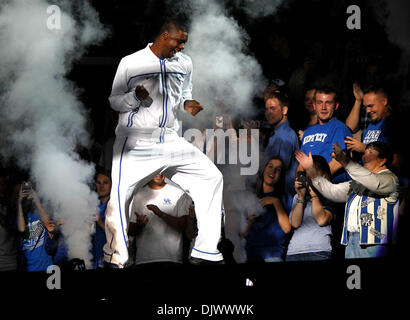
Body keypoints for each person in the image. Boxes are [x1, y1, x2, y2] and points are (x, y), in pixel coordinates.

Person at [104, 20, 224, 267]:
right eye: (178, 41)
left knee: (211, 177)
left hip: (170, 138)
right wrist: (134, 97)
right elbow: (114, 101)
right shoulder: (131, 62)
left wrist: (188, 105)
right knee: (119, 197)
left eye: (184, 43)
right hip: (137, 140)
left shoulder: (185, 63)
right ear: (164, 35)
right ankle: (115, 256)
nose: (181, 47)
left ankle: (206, 251)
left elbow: (184, 96)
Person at [295, 141, 399, 259]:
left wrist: (343, 160)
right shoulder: (358, 182)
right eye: (364, 152)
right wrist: (311, 171)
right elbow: (332, 191)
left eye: (370, 152)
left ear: (383, 160)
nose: (364, 156)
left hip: (376, 243)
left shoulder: (390, 179)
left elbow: (374, 182)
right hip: (351, 242)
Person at [127, 174, 194, 266]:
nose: (159, 173)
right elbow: (130, 230)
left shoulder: (179, 193)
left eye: (161, 170)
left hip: (172, 259)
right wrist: (140, 225)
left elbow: (183, 225)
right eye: (156, 170)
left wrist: (161, 214)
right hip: (143, 259)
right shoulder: (137, 195)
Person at [344, 85, 404, 174]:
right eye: (366, 107)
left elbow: (398, 163)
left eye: (371, 106)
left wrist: (364, 149)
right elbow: (349, 127)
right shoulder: (372, 125)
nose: (367, 111)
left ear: (384, 101)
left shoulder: (395, 124)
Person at [241, 157, 291, 263]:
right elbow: (243, 233)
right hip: (251, 255)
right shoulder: (250, 197)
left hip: (273, 255)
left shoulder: (285, 198)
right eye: (270, 166)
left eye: (278, 170)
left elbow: (287, 229)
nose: (273, 171)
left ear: (281, 175)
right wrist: (250, 218)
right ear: (264, 169)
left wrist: (275, 202)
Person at [300, 85, 352, 183]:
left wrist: (316, 181)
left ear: (336, 106)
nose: (323, 107)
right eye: (320, 103)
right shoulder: (307, 132)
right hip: (311, 187)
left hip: (332, 187)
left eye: (328, 103)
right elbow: (301, 164)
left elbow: (339, 161)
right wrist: (301, 181)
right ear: (314, 105)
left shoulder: (339, 128)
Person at [286, 155, 334, 261]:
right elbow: (295, 223)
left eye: (311, 171)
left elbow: (322, 220)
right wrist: (301, 197)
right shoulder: (298, 196)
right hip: (294, 251)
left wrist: (314, 195)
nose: (307, 176)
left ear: (324, 175)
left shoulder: (330, 194)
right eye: (302, 173)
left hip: (319, 251)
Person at [263, 88, 299, 213]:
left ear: (284, 110)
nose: (268, 113)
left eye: (273, 108)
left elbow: (276, 172)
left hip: (281, 200)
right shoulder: (277, 133)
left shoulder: (286, 135)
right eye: (267, 109)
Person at [16, 182, 55, 271]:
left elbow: (48, 222)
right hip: (31, 267)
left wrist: (36, 199)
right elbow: (22, 229)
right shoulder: (20, 215)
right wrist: (19, 202)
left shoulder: (40, 211)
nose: (27, 191)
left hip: (47, 266)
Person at [91, 169, 111, 269]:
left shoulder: (115, 205)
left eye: (105, 182)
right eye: (98, 183)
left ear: (112, 184)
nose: (101, 186)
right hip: (93, 258)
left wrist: (99, 222)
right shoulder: (93, 204)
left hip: (109, 259)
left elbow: (117, 235)